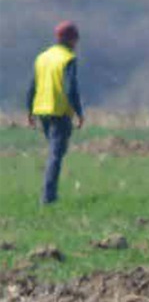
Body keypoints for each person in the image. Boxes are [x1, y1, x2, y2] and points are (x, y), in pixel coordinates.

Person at [27, 20, 85, 205]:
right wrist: (79, 111)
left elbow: (33, 86)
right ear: (72, 39)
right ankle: (48, 197)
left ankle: (49, 194)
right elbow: (71, 88)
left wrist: (29, 110)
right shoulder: (68, 58)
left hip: (42, 111)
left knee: (55, 152)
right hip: (59, 111)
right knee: (56, 154)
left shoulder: (42, 57)